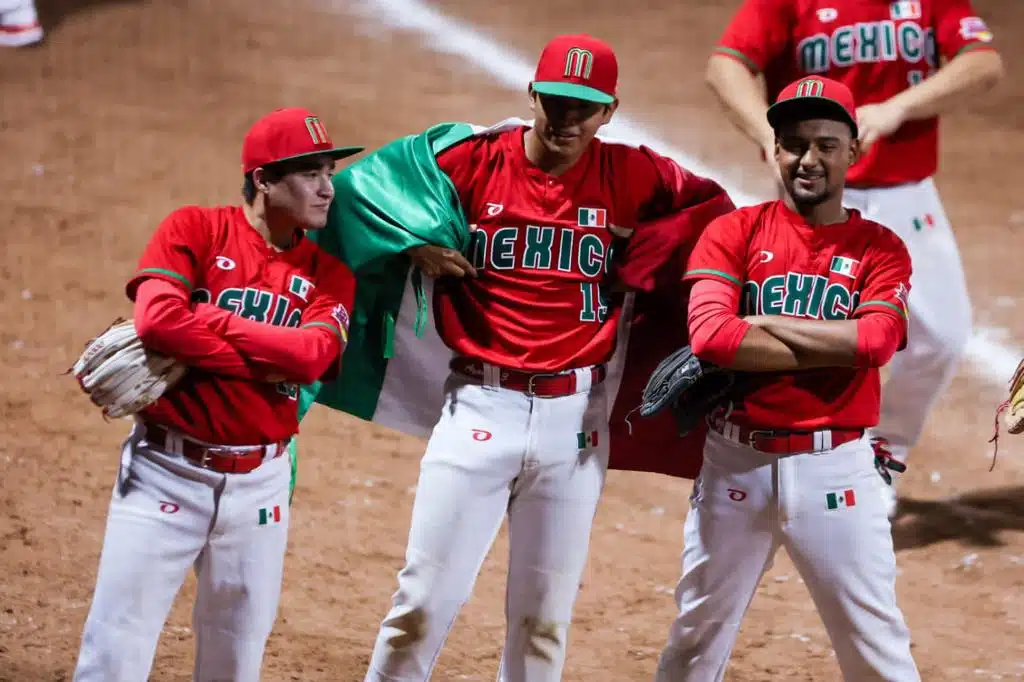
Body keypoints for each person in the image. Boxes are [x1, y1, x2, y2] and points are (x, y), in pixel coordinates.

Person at [360, 34, 731, 682]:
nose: (566, 120)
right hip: (478, 409)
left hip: (574, 430)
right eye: (555, 101)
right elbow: (365, 189)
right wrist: (410, 239)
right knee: (420, 605)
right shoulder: (473, 160)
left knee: (542, 626)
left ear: (609, 111)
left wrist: (641, 263)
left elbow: (711, 208)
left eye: (583, 108)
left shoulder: (631, 173)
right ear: (532, 95)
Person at [72, 108, 361, 682]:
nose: (328, 188)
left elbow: (313, 358)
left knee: (234, 663)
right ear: (264, 179)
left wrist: (209, 323)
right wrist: (264, 360)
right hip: (163, 474)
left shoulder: (331, 275)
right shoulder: (194, 229)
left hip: (260, 487)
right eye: (311, 173)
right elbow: (156, 322)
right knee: (113, 654)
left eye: (329, 171)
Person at [652, 77, 920, 681]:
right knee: (695, 640)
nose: (809, 159)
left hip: (836, 473)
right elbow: (712, 339)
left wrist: (766, 321)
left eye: (827, 144)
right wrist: (839, 346)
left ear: (853, 152)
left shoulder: (881, 247)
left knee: (878, 650)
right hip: (735, 468)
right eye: (795, 143)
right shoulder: (734, 232)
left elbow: (876, 343)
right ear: (774, 150)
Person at [705, 0, 1005, 516]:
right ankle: (774, 462)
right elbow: (725, 65)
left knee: (943, 336)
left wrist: (898, 108)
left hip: (904, 193)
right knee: (797, 331)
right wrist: (767, 137)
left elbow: (983, 62)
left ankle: (882, 452)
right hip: (813, 191)